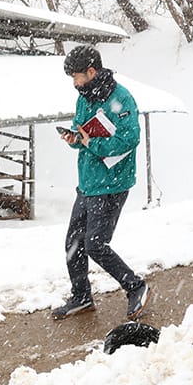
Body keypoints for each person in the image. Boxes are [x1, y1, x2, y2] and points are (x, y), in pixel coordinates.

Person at [50, 45, 149, 321]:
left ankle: (136, 286)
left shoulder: (121, 100)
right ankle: (81, 297)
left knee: (95, 244)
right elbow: (82, 134)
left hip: (112, 184)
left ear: (92, 72)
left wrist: (90, 142)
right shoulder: (84, 99)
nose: (75, 83)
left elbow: (129, 140)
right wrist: (75, 139)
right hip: (88, 182)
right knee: (74, 241)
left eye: (77, 77)